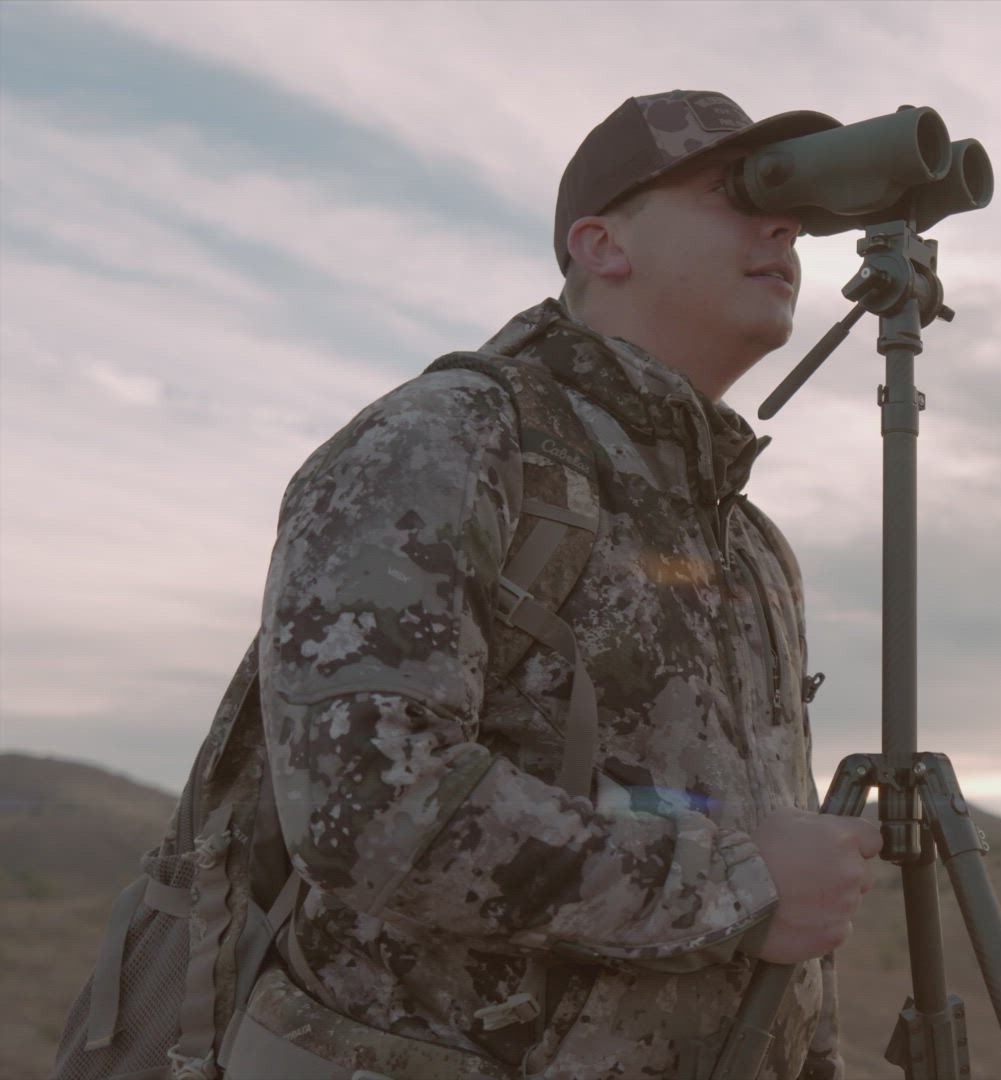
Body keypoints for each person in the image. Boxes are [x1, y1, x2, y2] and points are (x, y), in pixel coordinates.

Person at [235, 90, 881, 1078]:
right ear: (600, 245)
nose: (782, 226)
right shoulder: (449, 438)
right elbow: (366, 809)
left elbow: (764, 855)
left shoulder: (750, 544)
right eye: (736, 193)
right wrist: (740, 881)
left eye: (790, 210)